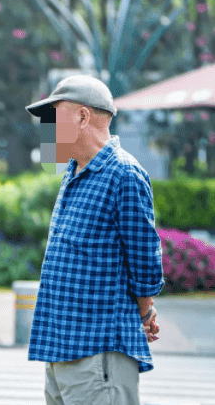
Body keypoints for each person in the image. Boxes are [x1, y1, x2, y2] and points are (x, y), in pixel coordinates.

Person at [24, 74, 164, 405]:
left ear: (83, 117)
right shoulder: (73, 172)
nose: (48, 126)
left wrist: (146, 311)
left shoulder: (123, 174)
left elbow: (145, 259)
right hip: (61, 350)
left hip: (98, 352)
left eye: (54, 114)